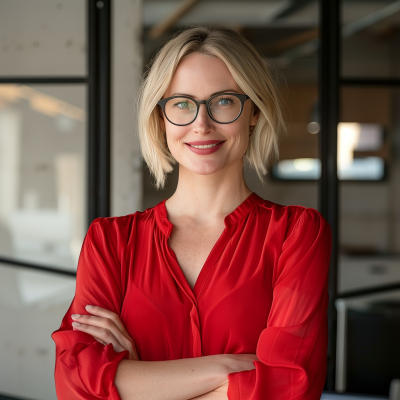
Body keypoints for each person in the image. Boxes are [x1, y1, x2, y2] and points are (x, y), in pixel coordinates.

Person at [51, 26, 332, 400]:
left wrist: (137, 380)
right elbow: (74, 384)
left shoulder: (296, 232)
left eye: (224, 101)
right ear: (161, 118)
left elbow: (289, 387)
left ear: (253, 111)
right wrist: (229, 369)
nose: (201, 124)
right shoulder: (110, 241)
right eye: (182, 103)